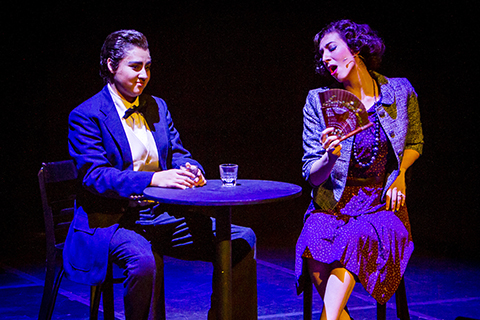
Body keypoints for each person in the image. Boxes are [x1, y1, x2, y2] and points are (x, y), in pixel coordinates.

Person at [64, 29, 257, 320]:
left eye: (148, 66)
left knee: (241, 240)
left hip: (163, 215)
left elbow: (178, 152)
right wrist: (153, 179)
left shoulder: (157, 105)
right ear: (110, 65)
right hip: (115, 219)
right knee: (143, 261)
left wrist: (190, 169)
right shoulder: (87, 114)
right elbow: (96, 176)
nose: (143, 74)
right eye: (135, 66)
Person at [295, 20, 423, 320]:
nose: (325, 58)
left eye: (332, 48)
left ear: (356, 48)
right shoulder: (318, 102)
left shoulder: (400, 92)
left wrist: (401, 174)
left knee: (356, 234)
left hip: (381, 204)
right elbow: (311, 174)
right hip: (333, 205)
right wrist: (329, 156)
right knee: (313, 234)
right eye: (321, 53)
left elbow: (415, 142)